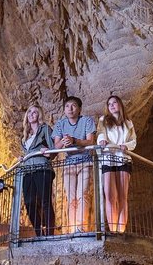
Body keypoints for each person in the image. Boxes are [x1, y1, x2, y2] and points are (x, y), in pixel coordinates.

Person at [52, 96, 96, 233]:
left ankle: (81, 228)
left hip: (85, 162)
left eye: (73, 106)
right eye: (67, 106)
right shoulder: (60, 124)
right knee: (71, 198)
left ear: (79, 109)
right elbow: (56, 146)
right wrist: (64, 142)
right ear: (64, 110)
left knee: (82, 195)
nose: (70, 109)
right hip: (69, 164)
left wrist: (75, 140)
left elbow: (90, 142)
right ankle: (72, 229)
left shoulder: (86, 121)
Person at [97, 95, 136, 233]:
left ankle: (121, 230)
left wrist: (125, 145)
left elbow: (133, 141)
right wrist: (101, 141)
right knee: (110, 195)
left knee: (122, 196)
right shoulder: (103, 120)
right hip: (108, 157)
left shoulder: (128, 123)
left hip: (123, 158)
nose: (112, 105)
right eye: (109, 104)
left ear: (119, 104)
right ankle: (113, 229)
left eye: (114, 103)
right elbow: (100, 134)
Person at [20, 105, 56, 236]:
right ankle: (39, 232)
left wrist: (48, 152)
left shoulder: (45, 129)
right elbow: (25, 153)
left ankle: (50, 232)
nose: (31, 114)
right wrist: (21, 158)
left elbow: (53, 150)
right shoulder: (24, 137)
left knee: (45, 200)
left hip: (42, 168)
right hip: (28, 170)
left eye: (35, 112)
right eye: (29, 111)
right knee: (29, 202)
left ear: (39, 115)